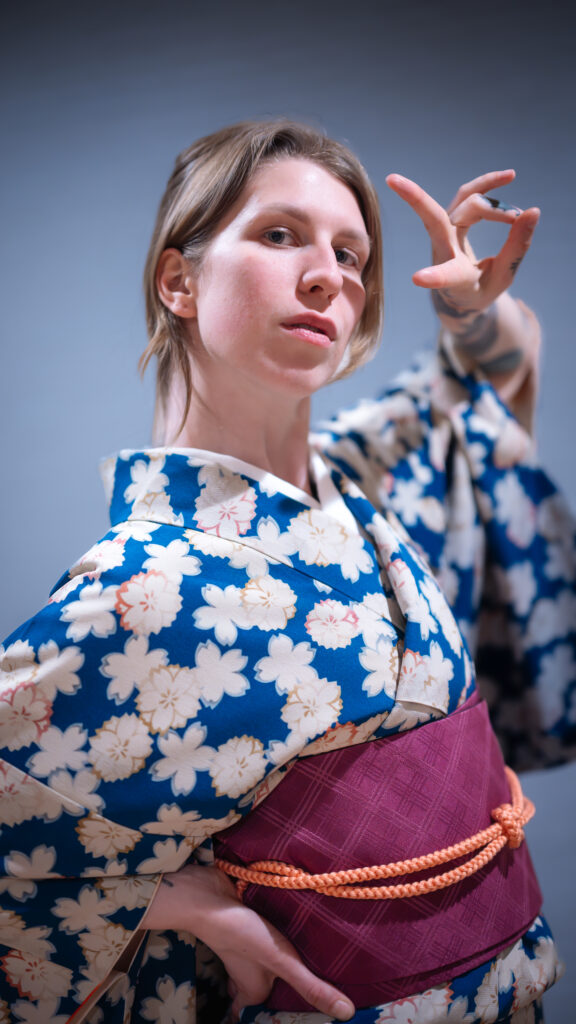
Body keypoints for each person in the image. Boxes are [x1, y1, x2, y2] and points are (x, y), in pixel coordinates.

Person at [1, 119, 575, 1024]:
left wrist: (471, 307)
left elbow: (490, 383)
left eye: (351, 256)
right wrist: (164, 901)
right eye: (279, 235)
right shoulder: (142, 587)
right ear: (178, 280)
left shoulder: (364, 479)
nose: (328, 275)